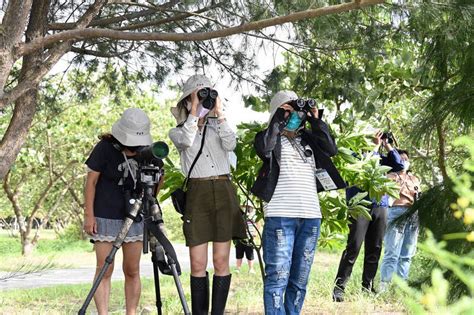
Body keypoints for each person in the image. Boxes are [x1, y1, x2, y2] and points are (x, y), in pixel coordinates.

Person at [251, 90, 345, 314]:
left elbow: (331, 149)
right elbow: (264, 148)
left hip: (311, 217)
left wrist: (315, 118)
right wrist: (278, 121)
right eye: (287, 109)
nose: (293, 113)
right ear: (276, 113)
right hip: (281, 216)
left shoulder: (309, 139)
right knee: (277, 278)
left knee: (299, 281)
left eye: (296, 109)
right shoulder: (269, 139)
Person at [168, 74, 247, 315]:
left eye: (206, 94)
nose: (204, 100)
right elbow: (185, 141)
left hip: (223, 191)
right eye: (198, 95)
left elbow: (231, 144)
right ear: (187, 101)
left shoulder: (219, 127)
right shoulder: (179, 131)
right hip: (198, 193)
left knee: (222, 261)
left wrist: (219, 113)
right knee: (198, 263)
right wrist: (195, 111)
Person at [83, 108, 153, 315]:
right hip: (105, 214)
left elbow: (157, 182)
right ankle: (103, 313)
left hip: (135, 217)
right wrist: (89, 215)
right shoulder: (105, 147)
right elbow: (91, 182)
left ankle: (131, 312)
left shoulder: (148, 150)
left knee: (132, 270)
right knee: (105, 269)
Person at [332, 131, 404, 302]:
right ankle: (339, 288)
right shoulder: (354, 155)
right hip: (359, 206)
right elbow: (364, 165)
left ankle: (367, 287)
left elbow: (399, 166)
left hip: (381, 205)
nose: (375, 139)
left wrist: (387, 145)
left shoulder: (380, 157)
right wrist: (374, 147)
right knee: (354, 247)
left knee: (375, 248)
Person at [379, 150, 420, 291]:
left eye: (406, 159)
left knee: (407, 254)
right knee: (392, 252)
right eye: (401, 159)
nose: (404, 161)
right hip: (396, 211)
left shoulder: (414, 178)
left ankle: (401, 287)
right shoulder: (391, 176)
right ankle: (385, 285)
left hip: (413, 214)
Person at [235, 205, 259, 274]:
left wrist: (255, 232)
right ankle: (238, 268)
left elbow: (258, 224)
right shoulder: (240, 215)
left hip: (249, 238)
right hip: (240, 237)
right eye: (244, 207)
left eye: (248, 207)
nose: (246, 208)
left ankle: (251, 268)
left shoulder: (254, 215)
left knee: (250, 254)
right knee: (239, 254)